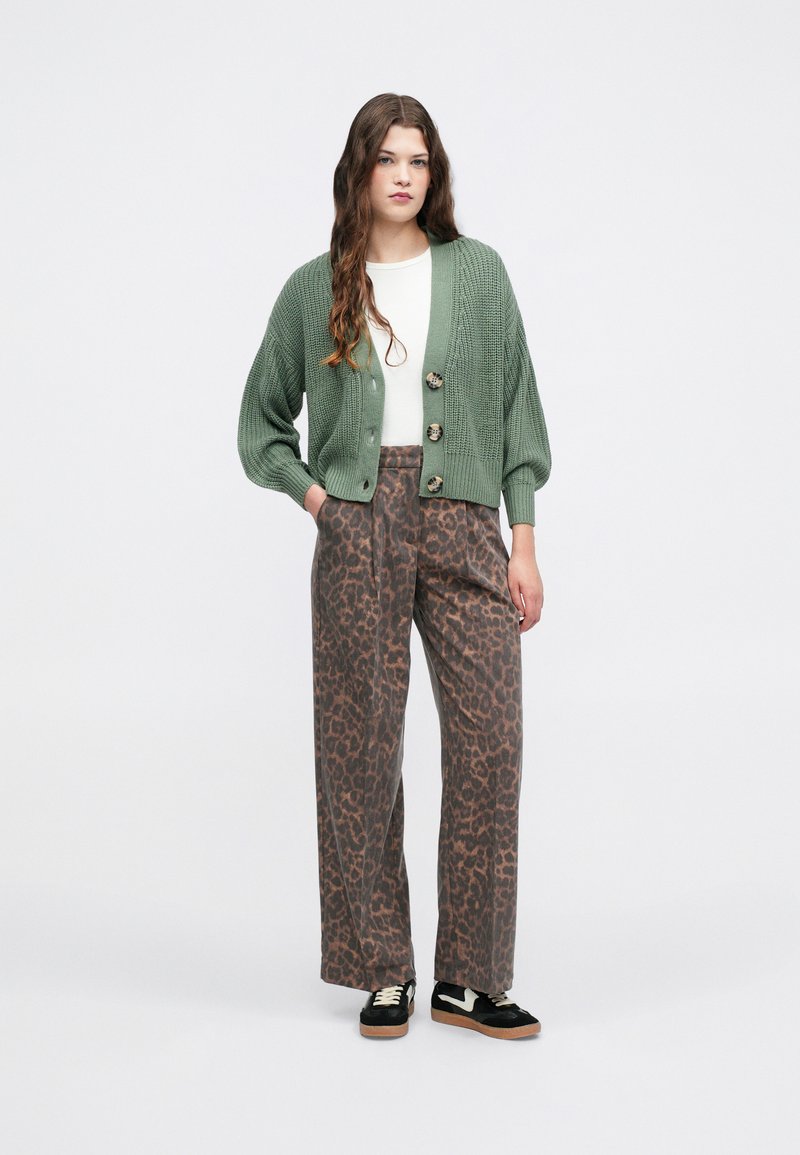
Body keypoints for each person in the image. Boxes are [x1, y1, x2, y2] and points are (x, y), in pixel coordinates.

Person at [237, 93, 552, 1041]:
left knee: (490, 742)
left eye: (419, 159)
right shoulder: (314, 288)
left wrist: (523, 539)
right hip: (358, 527)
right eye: (388, 159)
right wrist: (321, 502)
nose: (405, 175)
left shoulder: (479, 274)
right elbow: (260, 425)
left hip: (465, 522)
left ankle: (470, 977)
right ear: (360, 172)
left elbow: (519, 412)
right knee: (361, 751)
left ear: (434, 172)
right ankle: (383, 967)